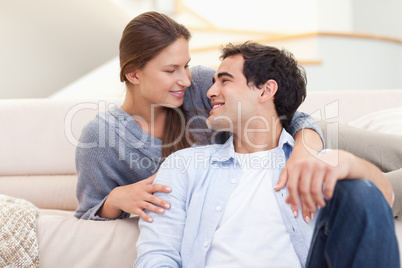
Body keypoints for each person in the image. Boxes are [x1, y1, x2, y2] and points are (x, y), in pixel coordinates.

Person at [135, 42, 399, 267]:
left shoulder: (314, 161)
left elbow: (380, 203)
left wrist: (352, 163)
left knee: (360, 190)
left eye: (225, 80)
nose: (210, 92)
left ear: (265, 90)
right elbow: (157, 254)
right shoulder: (184, 166)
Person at [74, 11, 324, 222]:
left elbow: (285, 114)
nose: (185, 79)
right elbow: (87, 216)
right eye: (171, 70)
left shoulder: (203, 85)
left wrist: (305, 152)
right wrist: (116, 200)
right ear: (133, 75)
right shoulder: (101, 137)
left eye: (186, 65)